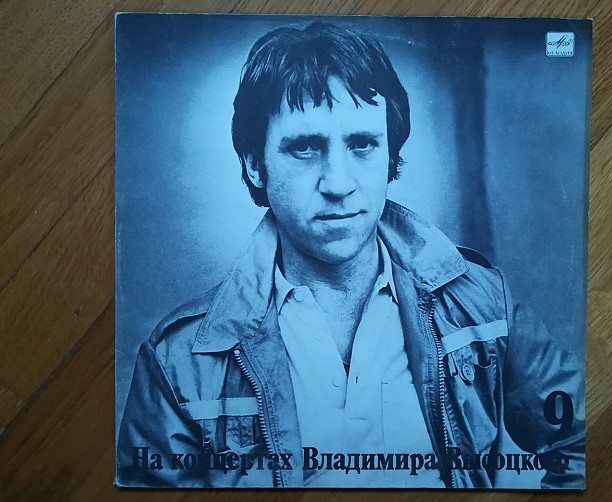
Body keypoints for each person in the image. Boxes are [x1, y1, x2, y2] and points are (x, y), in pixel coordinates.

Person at [116, 21, 585, 489]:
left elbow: (583, 438)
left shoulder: (483, 302)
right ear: (256, 166)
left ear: (390, 156)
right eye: (305, 148)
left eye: (362, 144)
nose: (339, 184)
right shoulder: (178, 360)